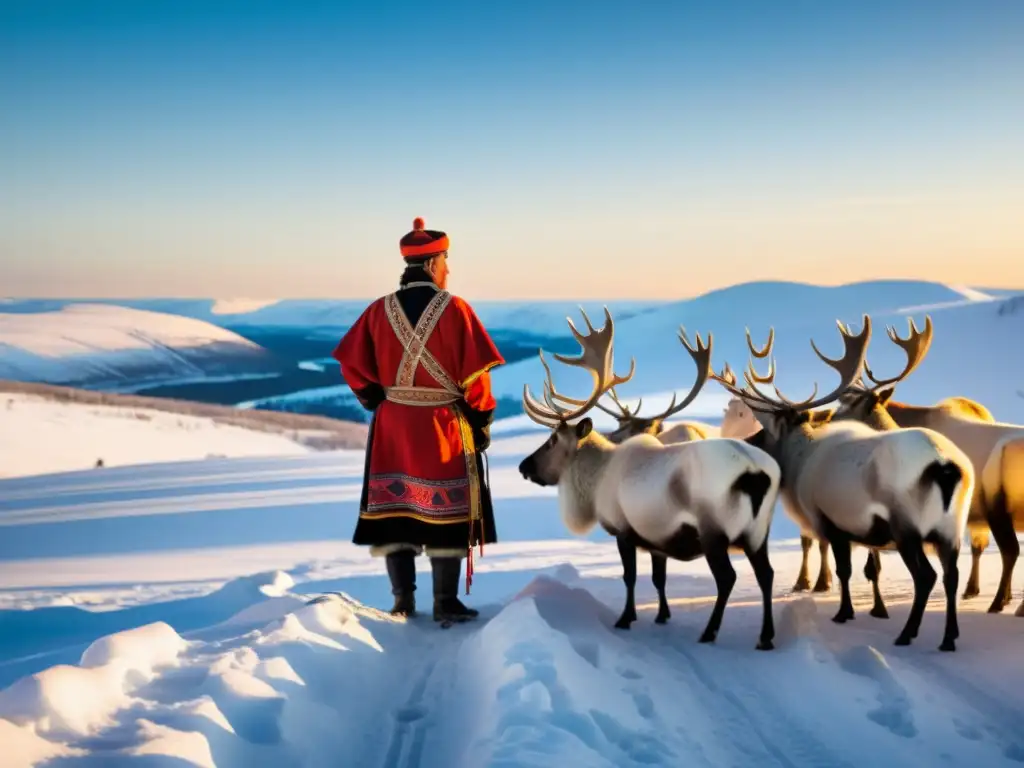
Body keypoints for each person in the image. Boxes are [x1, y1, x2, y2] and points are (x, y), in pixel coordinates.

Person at [332, 217, 505, 624]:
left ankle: (402, 602)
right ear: (430, 265)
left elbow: (351, 365)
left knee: (397, 512)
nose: (449, 269)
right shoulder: (456, 308)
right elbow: (476, 378)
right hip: (442, 425)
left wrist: (376, 397)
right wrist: (480, 422)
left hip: (392, 427)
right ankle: (445, 602)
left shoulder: (378, 311)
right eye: (446, 260)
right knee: (448, 511)